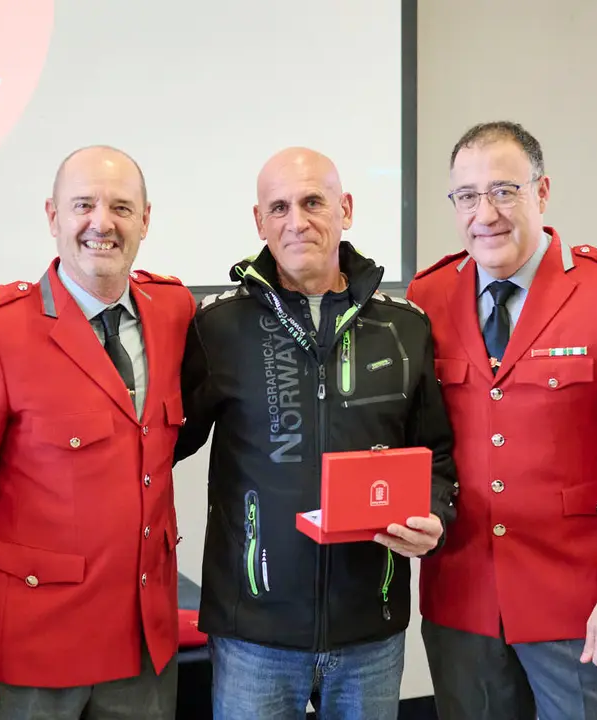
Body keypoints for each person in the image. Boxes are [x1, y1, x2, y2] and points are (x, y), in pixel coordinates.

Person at [175, 147, 459, 720]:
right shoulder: (216, 327)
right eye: (278, 207)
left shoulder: (403, 327)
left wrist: (435, 515)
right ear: (259, 221)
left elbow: (439, 456)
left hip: (369, 628)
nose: (296, 221)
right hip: (253, 629)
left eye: (312, 202)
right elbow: (162, 444)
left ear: (345, 209)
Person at [406, 120, 597, 719]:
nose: (486, 213)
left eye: (504, 191)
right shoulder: (429, 298)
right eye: (467, 196)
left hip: (573, 601)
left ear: (542, 193)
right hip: (463, 598)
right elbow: (422, 439)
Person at [0, 145, 196, 720]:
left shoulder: (174, 311)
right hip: (30, 650)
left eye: (122, 207)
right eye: (83, 205)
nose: (103, 223)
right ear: (53, 217)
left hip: (144, 641)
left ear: (146, 220)